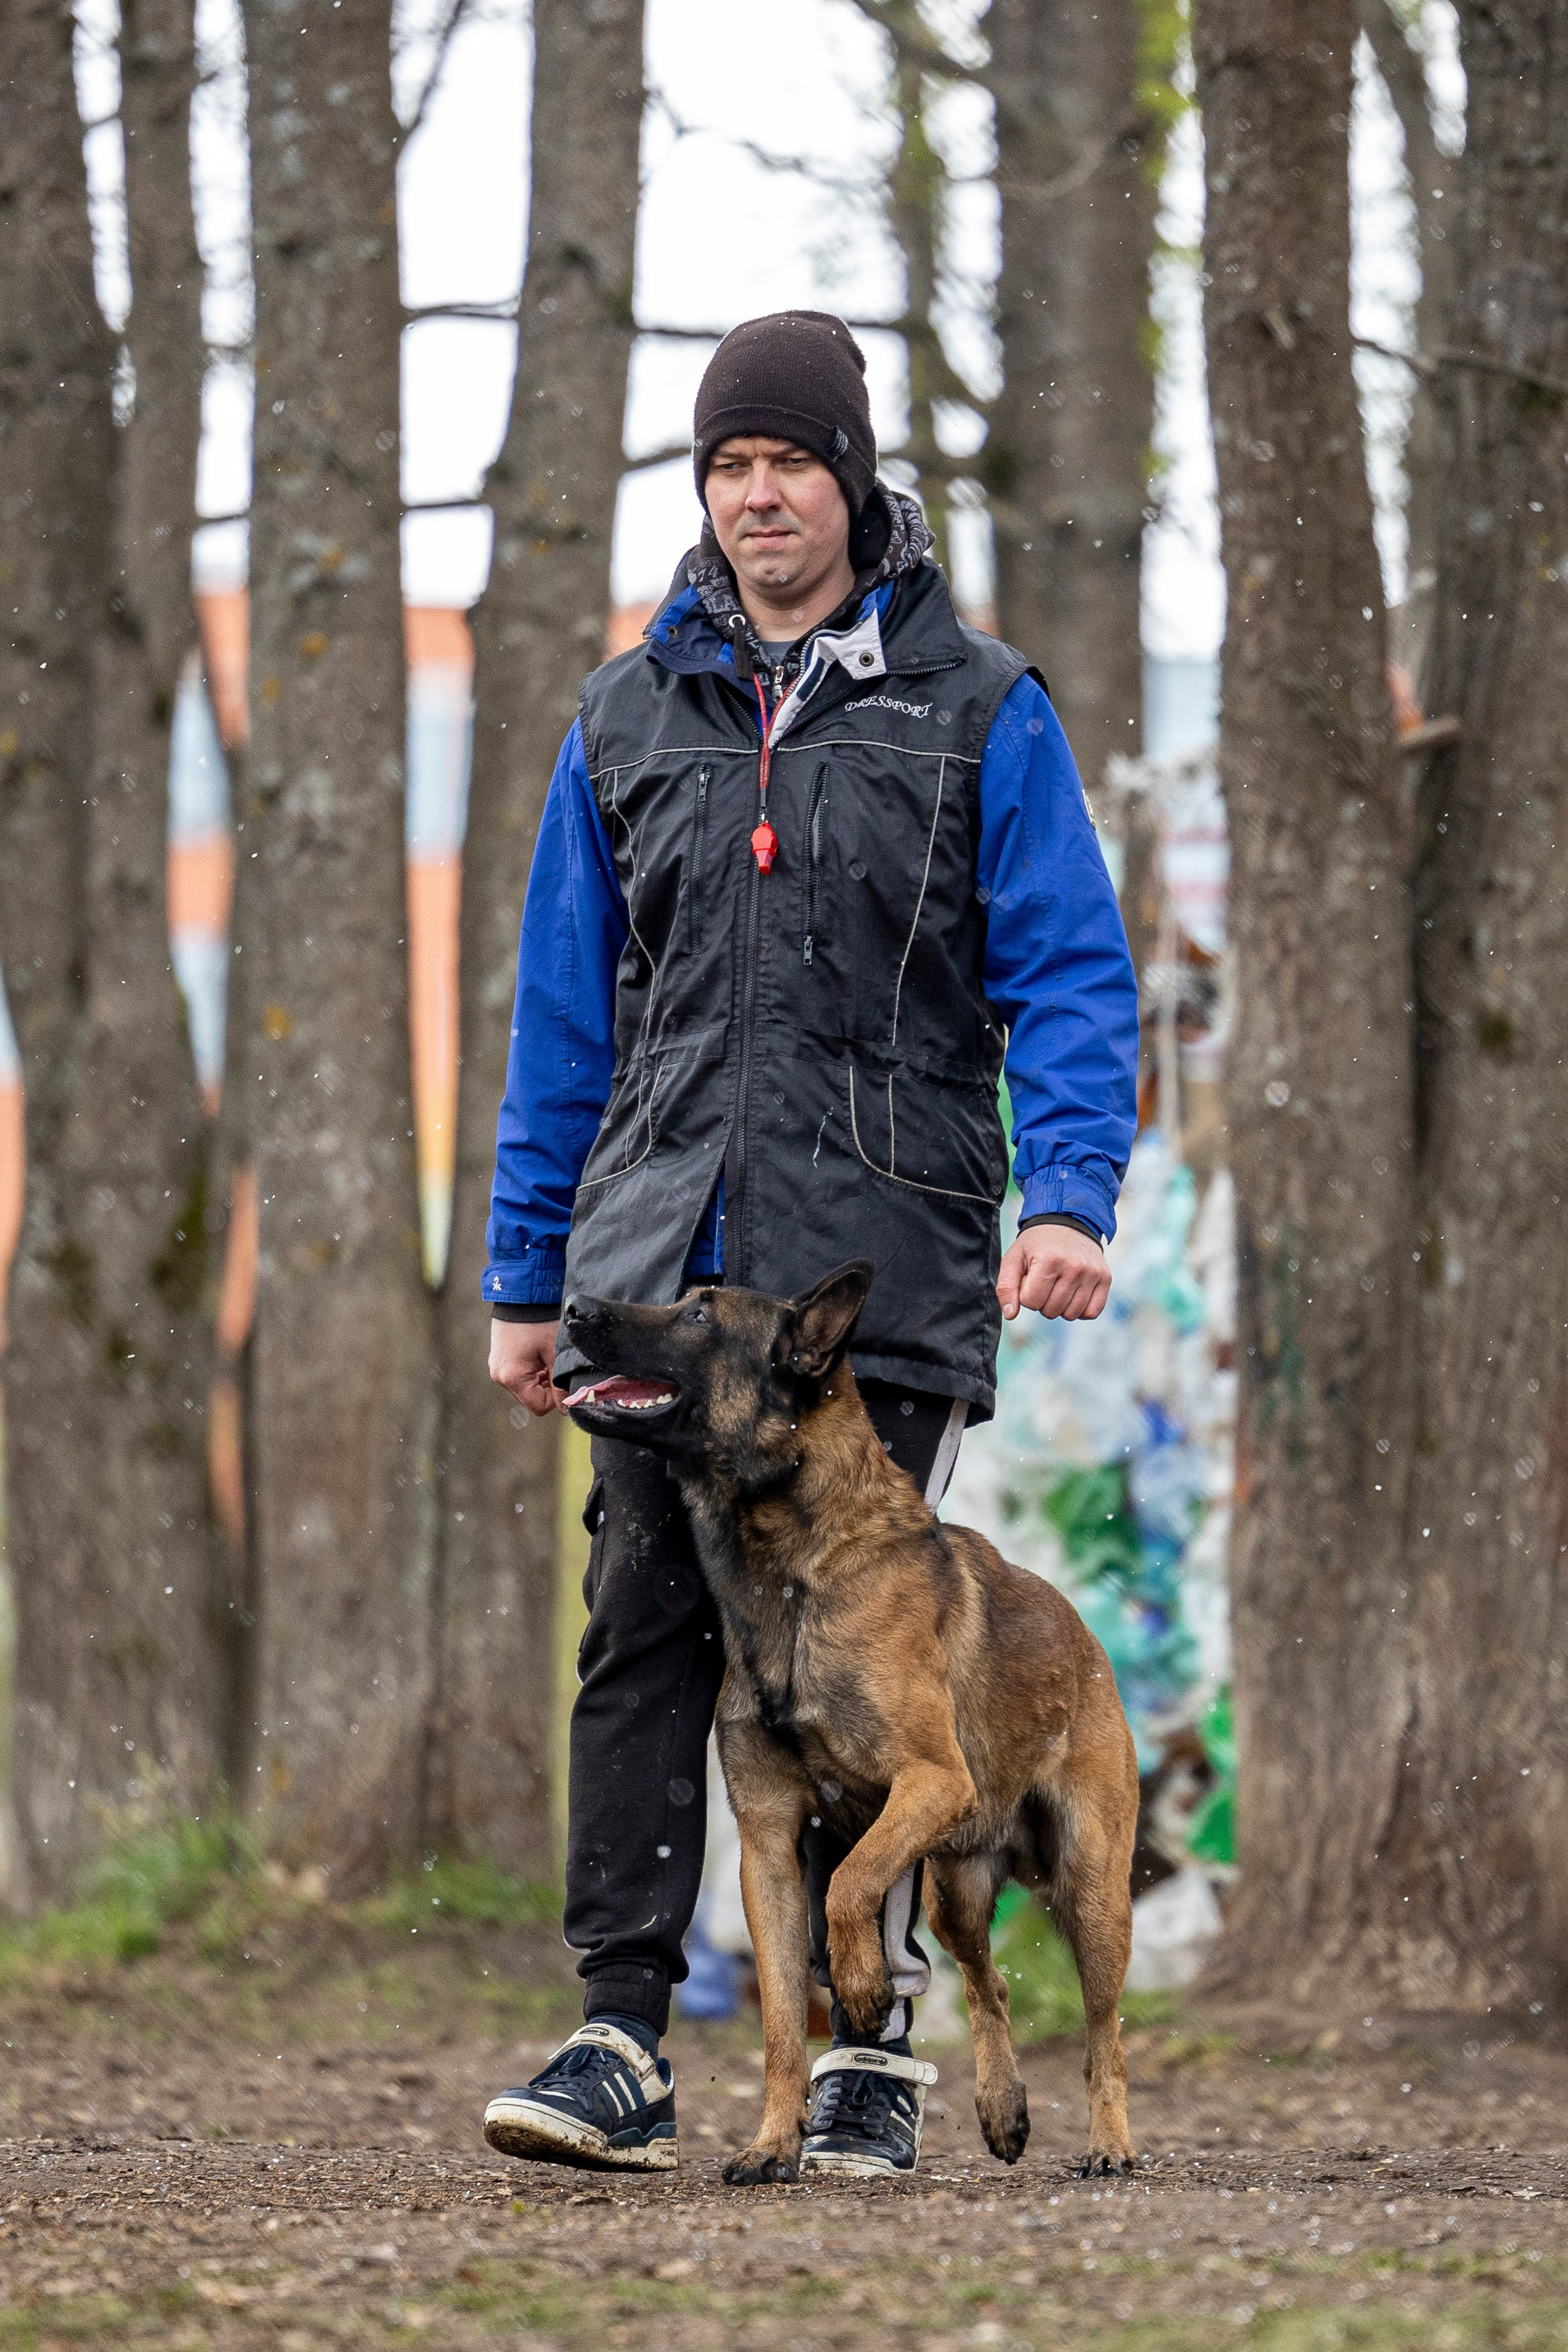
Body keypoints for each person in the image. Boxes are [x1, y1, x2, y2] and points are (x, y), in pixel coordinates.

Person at [478, 311, 1138, 2179]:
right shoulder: (624, 717)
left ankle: (870, 2048)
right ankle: (620, 2029)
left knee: (868, 1664)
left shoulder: (980, 705)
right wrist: (529, 1279)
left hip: (876, 1283)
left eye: (787, 462)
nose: (757, 496)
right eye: (728, 467)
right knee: (643, 1631)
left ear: (850, 480)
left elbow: (1070, 968)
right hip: (659, 1279)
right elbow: (563, 1023)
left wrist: (1069, 1191)